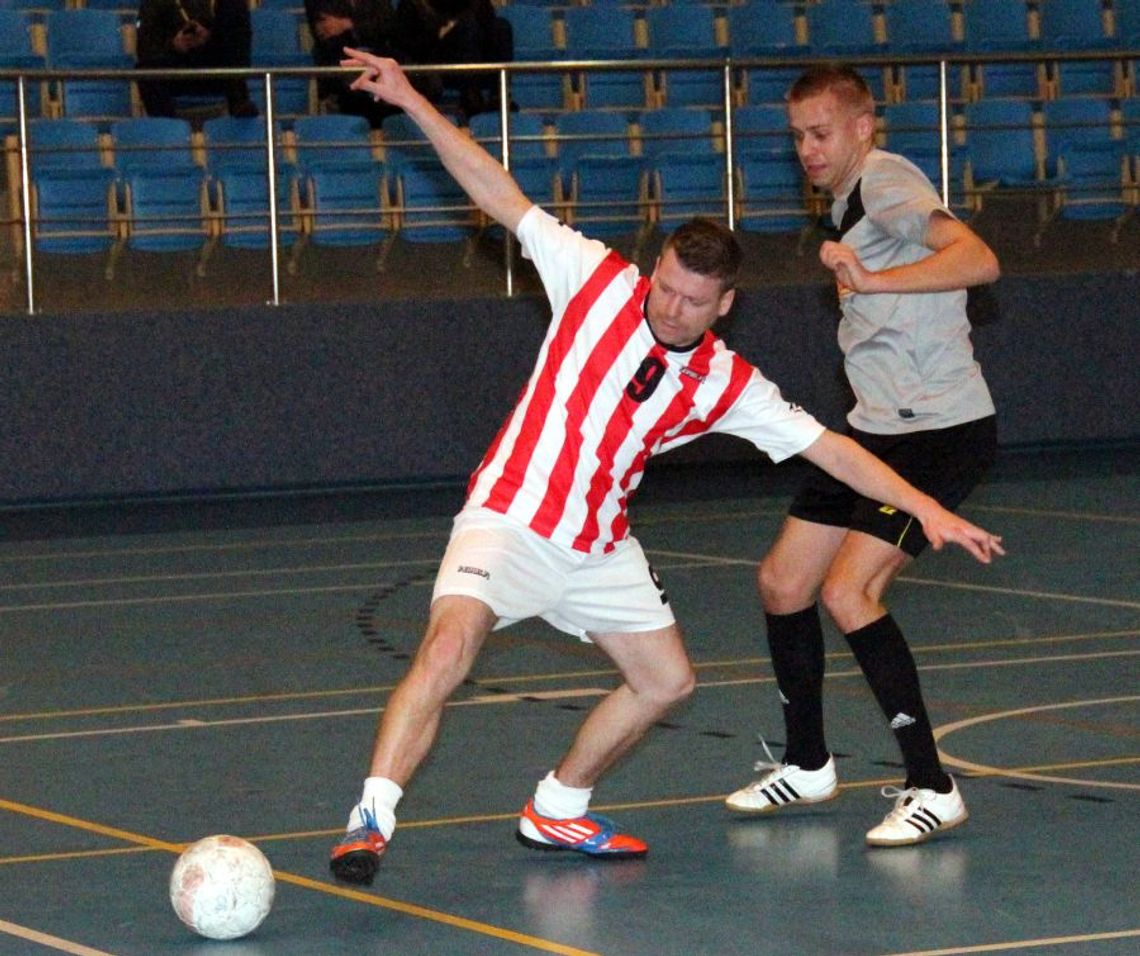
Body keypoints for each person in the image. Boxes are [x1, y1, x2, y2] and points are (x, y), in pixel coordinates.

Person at [327, 51, 1004, 886]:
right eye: (665, 288)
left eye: (692, 301)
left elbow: (833, 449)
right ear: (654, 270)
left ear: (725, 307)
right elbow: (497, 192)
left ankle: (559, 808)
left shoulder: (726, 382)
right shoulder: (594, 282)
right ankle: (372, 816)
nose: (670, 308)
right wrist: (409, 98)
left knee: (667, 680)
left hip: (599, 542)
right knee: (449, 643)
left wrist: (926, 510)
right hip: (511, 514)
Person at [725, 64, 1002, 847]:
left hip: (936, 434)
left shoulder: (884, 182)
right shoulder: (846, 201)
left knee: (850, 592)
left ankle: (931, 783)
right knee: (784, 582)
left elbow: (978, 259)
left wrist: (875, 280)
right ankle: (809, 763)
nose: (808, 149)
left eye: (820, 133)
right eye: (798, 137)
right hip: (872, 433)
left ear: (861, 126)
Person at [135, 0, 258, 119]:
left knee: (233, 6)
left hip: (215, 66)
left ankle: (238, 101)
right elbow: (146, 47)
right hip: (173, 68)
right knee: (146, 69)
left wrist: (209, 38)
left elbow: (239, 46)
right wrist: (174, 45)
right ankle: (168, 127)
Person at [304, 0, 414, 126]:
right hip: (338, 55)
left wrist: (347, 24)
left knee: (396, 70)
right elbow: (325, 31)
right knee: (353, 82)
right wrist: (361, 26)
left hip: (377, 54)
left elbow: (385, 25)